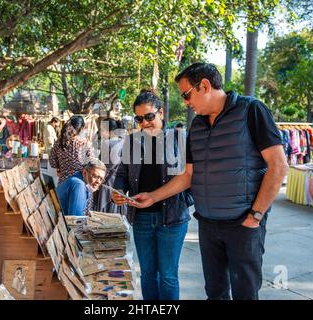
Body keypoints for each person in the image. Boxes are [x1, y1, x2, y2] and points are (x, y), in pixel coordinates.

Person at [130, 62, 289, 300]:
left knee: (245, 292)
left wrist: (255, 216)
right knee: (215, 292)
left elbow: (278, 166)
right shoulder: (197, 126)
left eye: (186, 94)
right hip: (208, 225)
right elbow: (188, 176)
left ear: (204, 85)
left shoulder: (251, 110)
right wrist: (152, 196)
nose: (185, 102)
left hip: (243, 225)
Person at [112, 89, 191, 300]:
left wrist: (185, 200)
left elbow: (191, 178)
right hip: (141, 219)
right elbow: (122, 174)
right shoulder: (132, 141)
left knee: (167, 276)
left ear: (161, 113)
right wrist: (119, 191)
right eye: (139, 119)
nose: (145, 123)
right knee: (147, 274)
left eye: (149, 116)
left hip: (172, 219)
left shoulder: (180, 139)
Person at [94, 118, 126, 214]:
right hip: (121, 184)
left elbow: (102, 167)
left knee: (106, 215)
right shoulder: (124, 142)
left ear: (110, 131)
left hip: (107, 183)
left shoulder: (107, 144)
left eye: (102, 130)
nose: (101, 133)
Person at [50, 115, 94, 183]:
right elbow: (91, 164)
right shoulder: (84, 143)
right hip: (79, 182)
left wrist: (60, 167)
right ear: (81, 128)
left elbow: (52, 162)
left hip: (63, 182)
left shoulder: (59, 142)